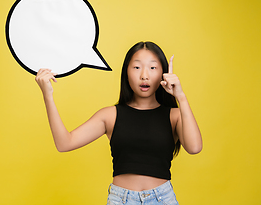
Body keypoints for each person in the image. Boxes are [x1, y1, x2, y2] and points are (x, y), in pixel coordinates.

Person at [35, 41, 202, 205]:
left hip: (162, 199)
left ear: (163, 73)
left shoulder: (175, 115)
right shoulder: (110, 115)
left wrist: (180, 96)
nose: (144, 75)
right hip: (121, 199)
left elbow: (194, 148)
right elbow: (64, 143)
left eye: (153, 68)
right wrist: (47, 96)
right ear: (126, 72)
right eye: (137, 67)